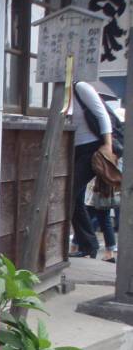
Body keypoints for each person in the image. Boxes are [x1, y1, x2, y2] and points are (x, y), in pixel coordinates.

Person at [69, 81, 117, 259]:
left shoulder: (80, 87)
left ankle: (87, 244)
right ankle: (88, 246)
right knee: (76, 199)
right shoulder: (62, 92)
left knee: (70, 193)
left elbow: (102, 115)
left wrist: (107, 146)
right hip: (73, 148)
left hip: (92, 148)